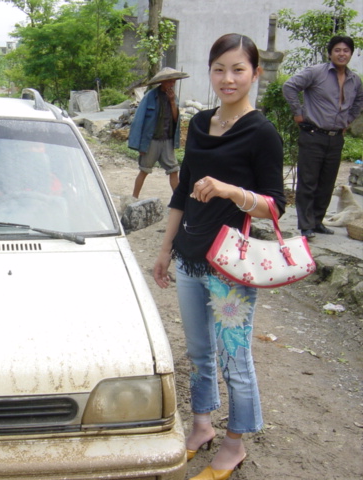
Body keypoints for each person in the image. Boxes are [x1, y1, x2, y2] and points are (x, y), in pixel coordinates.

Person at [152, 34, 286, 480]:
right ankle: (203, 426)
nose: (228, 79)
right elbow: (182, 192)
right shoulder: (201, 124)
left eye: (238, 70)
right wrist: (165, 248)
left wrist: (231, 191)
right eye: (219, 70)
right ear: (210, 73)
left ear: (255, 73)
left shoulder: (263, 133)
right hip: (191, 257)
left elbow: (275, 206)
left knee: (235, 357)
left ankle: (235, 443)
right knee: (198, 353)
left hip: (231, 265)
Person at [282, 35, 363, 239]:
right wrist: (298, 112)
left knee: (327, 182)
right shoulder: (316, 72)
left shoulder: (355, 80)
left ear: (351, 54)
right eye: (337, 50)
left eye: (346, 50)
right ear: (330, 53)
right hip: (312, 134)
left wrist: (349, 120)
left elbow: (358, 101)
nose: (341, 54)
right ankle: (306, 225)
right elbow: (289, 86)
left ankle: (318, 221)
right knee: (308, 181)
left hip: (335, 138)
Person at [128, 67, 189, 197]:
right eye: (169, 81)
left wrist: (172, 102)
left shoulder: (174, 97)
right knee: (144, 170)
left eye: (173, 82)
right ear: (162, 82)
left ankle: (178, 201)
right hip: (151, 141)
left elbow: (175, 119)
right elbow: (138, 120)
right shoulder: (150, 96)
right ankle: (134, 198)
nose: (171, 84)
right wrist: (139, 145)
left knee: (174, 170)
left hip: (167, 140)